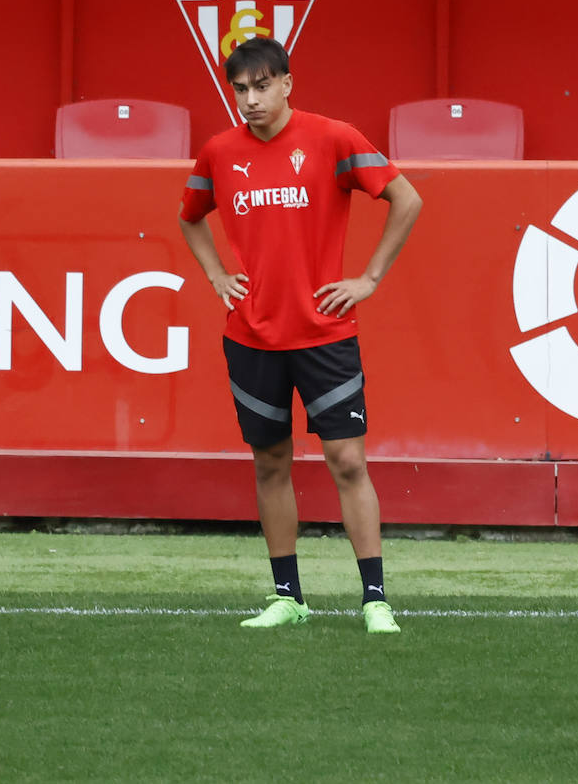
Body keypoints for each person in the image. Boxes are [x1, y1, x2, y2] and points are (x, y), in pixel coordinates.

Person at [177, 37, 422, 634]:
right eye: (240, 89)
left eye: (262, 86)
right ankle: (287, 596)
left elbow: (406, 198)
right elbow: (189, 216)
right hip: (252, 336)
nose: (252, 100)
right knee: (270, 462)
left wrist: (367, 279)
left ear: (287, 83)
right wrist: (216, 274)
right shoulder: (218, 152)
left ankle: (375, 600)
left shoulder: (334, 138)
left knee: (346, 461)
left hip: (324, 334)